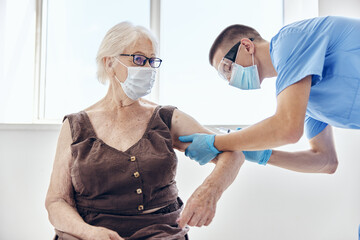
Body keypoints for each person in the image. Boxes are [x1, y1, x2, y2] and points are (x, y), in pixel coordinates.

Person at [45, 22, 245, 240]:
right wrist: (90, 233)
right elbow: (57, 202)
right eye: (139, 59)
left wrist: (210, 191)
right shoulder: (75, 126)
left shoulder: (167, 119)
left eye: (152, 61)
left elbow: (233, 151)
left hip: (161, 233)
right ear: (110, 62)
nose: (148, 68)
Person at [180, 16, 360, 174]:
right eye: (224, 76)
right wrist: (263, 154)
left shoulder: (288, 39)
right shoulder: (306, 103)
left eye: (226, 68)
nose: (229, 80)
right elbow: (326, 161)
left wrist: (216, 142)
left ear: (246, 46)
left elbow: (287, 128)